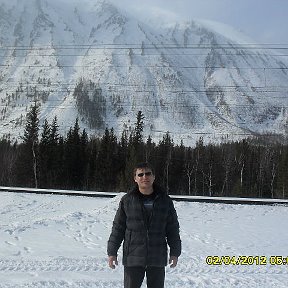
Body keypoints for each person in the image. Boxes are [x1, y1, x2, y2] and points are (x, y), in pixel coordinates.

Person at [107, 162, 181, 288]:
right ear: (135, 178)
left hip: (157, 257)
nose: (144, 177)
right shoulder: (127, 200)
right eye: (140, 174)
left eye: (148, 173)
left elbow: (172, 228)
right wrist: (112, 252)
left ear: (154, 177)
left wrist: (175, 252)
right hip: (133, 258)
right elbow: (118, 227)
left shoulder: (165, 200)